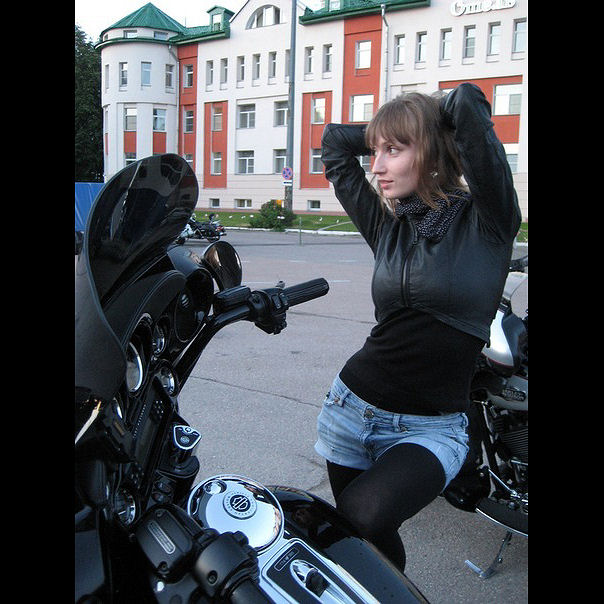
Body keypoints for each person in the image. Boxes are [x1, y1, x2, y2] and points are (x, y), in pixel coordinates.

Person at [316, 82, 521, 572]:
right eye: (376, 151)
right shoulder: (389, 227)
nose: (377, 166)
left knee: (360, 515)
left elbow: (467, 103)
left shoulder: (490, 221)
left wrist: (424, 120)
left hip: (432, 427)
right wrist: (393, 130)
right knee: (367, 545)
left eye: (393, 150)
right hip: (351, 409)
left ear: (429, 153)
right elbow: (334, 143)